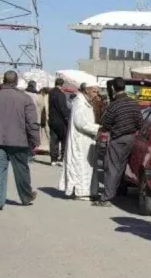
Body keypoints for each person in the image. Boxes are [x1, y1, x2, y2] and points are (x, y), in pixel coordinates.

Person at [0, 70, 39, 211]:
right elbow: (31, 122)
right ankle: (26, 197)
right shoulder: (25, 98)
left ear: (3, 80)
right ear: (16, 82)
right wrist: (34, 140)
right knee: (21, 170)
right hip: (19, 141)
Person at [94, 77, 143, 207]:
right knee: (121, 166)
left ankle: (106, 198)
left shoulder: (114, 105)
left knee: (111, 168)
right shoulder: (133, 103)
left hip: (118, 139)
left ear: (113, 89)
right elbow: (140, 122)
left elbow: (105, 123)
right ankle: (117, 191)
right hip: (131, 138)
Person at [59, 85, 101, 200]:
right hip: (80, 140)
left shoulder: (86, 102)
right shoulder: (80, 103)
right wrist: (98, 128)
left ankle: (87, 191)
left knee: (87, 167)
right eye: (94, 91)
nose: (96, 94)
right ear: (87, 90)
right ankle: (80, 192)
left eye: (97, 92)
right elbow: (80, 123)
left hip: (86, 140)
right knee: (80, 166)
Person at [48, 78, 70, 166]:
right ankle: (61, 159)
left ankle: (53, 159)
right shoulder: (61, 94)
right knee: (63, 140)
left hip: (52, 120)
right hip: (61, 121)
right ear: (62, 85)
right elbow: (63, 108)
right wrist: (66, 118)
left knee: (53, 140)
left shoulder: (51, 93)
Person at [25, 80, 47, 163]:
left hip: (24, 119)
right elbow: (42, 108)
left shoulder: (23, 94)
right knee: (33, 139)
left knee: (24, 138)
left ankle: (24, 155)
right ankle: (30, 156)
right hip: (35, 120)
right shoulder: (38, 96)